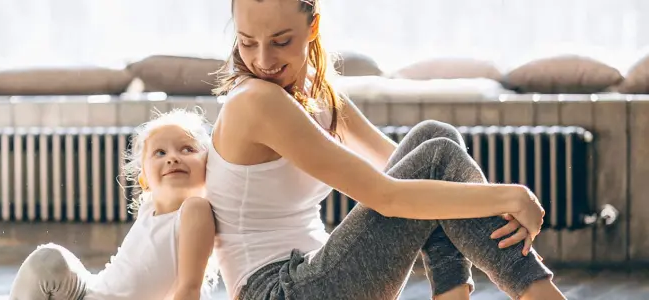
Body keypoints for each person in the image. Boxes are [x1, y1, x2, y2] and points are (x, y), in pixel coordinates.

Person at [206, 0, 567, 299]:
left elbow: (397, 162)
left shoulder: (317, 91)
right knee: (437, 155)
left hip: (312, 270)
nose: (263, 60)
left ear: (312, 28)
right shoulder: (255, 101)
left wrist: (483, 198)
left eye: (281, 41)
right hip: (277, 290)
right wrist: (510, 197)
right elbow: (387, 196)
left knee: (434, 137)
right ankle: (536, 292)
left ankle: (454, 293)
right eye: (247, 42)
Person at [8, 108, 219, 300]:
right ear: (144, 180)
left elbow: (190, 287)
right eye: (160, 153)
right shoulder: (149, 208)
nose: (172, 158)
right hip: (93, 291)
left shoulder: (194, 209)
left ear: (208, 165)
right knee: (48, 259)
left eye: (187, 149)